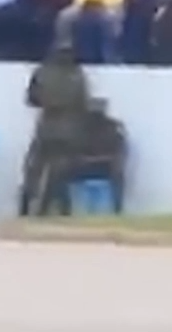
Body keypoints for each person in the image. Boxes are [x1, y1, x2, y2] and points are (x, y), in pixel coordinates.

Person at [18, 37, 91, 216]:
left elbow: (31, 99)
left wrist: (47, 102)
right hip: (66, 129)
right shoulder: (77, 75)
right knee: (55, 173)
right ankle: (47, 210)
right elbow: (83, 103)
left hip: (48, 126)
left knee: (35, 170)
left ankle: (27, 209)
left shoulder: (43, 72)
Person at [39, 96, 128, 216]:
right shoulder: (80, 128)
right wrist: (76, 158)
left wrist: (98, 160)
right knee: (57, 171)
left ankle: (118, 211)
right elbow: (70, 150)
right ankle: (62, 211)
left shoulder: (112, 129)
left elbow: (120, 152)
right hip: (82, 167)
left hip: (104, 168)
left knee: (118, 174)